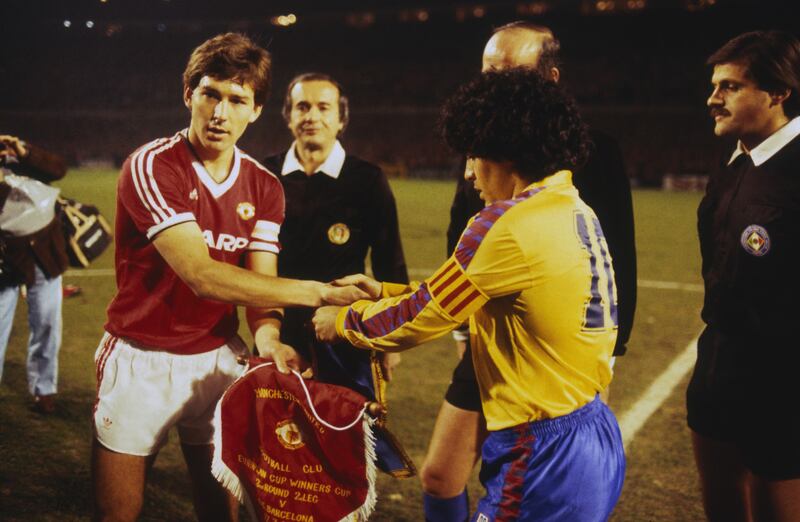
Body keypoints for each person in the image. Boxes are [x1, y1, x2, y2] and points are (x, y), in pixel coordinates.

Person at [313, 69, 625, 521]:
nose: (467, 171)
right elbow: (477, 295)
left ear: (505, 152)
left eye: (473, 155)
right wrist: (383, 290)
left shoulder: (505, 224)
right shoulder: (573, 206)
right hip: (592, 431)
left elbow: (421, 319)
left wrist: (342, 322)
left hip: (540, 450)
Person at [91, 33, 366, 522]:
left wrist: (271, 338)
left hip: (217, 358)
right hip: (141, 360)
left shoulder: (263, 184)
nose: (220, 112)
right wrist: (320, 291)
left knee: (221, 509)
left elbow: (259, 292)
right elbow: (201, 276)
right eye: (210, 94)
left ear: (256, 110)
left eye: (237, 99)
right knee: (118, 513)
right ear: (188, 96)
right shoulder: (152, 165)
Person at [426, 21, 637, 521]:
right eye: (487, 73)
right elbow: (462, 236)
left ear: (551, 77)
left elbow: (617, 259)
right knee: (439, 474)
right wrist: (461, 326)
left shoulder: (594, 151)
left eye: (509, 73)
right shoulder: (479, 147)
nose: (493, 86)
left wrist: (609, 356)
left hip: (555, 358)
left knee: (541, 481)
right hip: (491, 340)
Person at [262, 73, 413, 476]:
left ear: (341, 119)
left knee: (344, 445)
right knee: (285, 443)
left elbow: (389, 262)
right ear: (288, 116)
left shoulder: (367, 180)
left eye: (323, 107)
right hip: (281, 329)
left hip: (345, 334)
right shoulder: (264, 175)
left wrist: (392, 342)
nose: (312, 116)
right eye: (302, 106)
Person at [687, 30, 800, 522]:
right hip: (718, 360)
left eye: (730, 86)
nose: (714, 99)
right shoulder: (733, 162)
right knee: (722, 500)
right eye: (715, 86)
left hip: (781, 376)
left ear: (778, 93)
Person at [0, 135, 68, 415]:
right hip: (6, 260)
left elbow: (58, 169)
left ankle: (44, 389)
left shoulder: (21, 161)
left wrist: (24, 150)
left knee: (47, 323)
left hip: (44, 255)